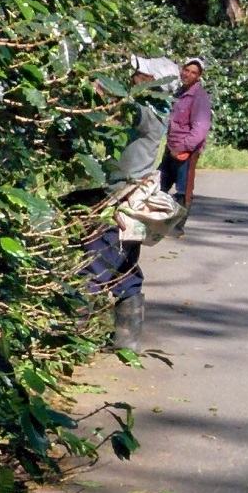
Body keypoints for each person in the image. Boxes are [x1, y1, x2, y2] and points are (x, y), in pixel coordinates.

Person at [84, 56, 175, 349]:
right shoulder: (155, 111)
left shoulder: (149, 112)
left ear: (153, 83)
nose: (134, 77)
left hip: (122, 200)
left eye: (141, 74)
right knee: (124, 267)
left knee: (94, 264)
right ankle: (127, 342)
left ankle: (68, 338)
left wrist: (96, 88)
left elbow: (120, 106)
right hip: (129, 199)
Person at [160, 56, 211, 235]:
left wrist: (183, 148)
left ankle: (178, 227)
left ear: (199, 76)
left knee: (183, 190)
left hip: (187, 152)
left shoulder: (200, 98)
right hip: (171, 148)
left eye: (193, 73)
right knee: (159, 185)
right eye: (187, 70)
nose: (188, 75)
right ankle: (157, 223)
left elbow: (200, 130)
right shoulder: (179, 93)